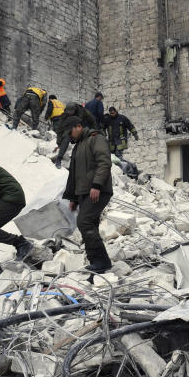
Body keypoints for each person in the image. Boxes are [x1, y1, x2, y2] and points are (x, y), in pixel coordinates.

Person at [62, 117, 114, 273]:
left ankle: (102, 261)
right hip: (84, 192)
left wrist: (97, 185)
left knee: (84, 222)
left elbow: (104, 162)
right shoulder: (78, 146)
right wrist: (73, 198)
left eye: (70, 132)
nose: (69, 136)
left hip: (98, 190)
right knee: (90, 224)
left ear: (78, 126)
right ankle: (96, 263)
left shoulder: (96, 138)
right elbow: (74, 175)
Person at [52, 101, 96, 167]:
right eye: (68, 112)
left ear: (75, 109)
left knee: (84, 144)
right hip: (71, 131)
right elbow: (60, 129)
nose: (69, 113)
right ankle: (59, 159)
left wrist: (93, 131)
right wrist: (59, 142)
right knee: (66, 138)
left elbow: (93, 120)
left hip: (82, 129)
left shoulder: (83, 111)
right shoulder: (65, 115)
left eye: (71, 112)